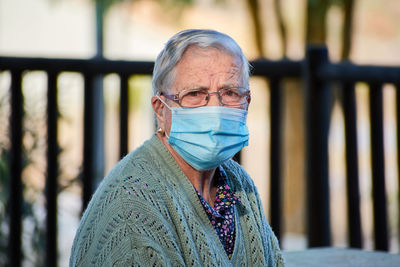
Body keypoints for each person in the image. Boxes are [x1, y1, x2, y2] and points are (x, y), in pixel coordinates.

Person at [70, 29, 284, 267]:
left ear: (247, 102)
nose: (214, 109)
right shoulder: (132, 209)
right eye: (194, 94)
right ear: (161, 110)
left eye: (230, 93)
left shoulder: (238, 182)